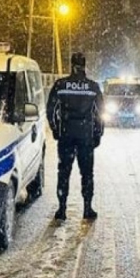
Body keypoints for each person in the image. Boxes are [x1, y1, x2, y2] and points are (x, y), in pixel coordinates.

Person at [46, 52, 104, 221]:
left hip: (66, 135)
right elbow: (101, 112)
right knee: (87, 173)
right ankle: (87, 208)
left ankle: (62, 209)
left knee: (63, 172)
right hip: (85, 136)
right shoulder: (92, 87)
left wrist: (55, 128)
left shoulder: (61, 84)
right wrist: (98, 134)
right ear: (84, 65)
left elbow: (51, 110)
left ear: (71, 65)